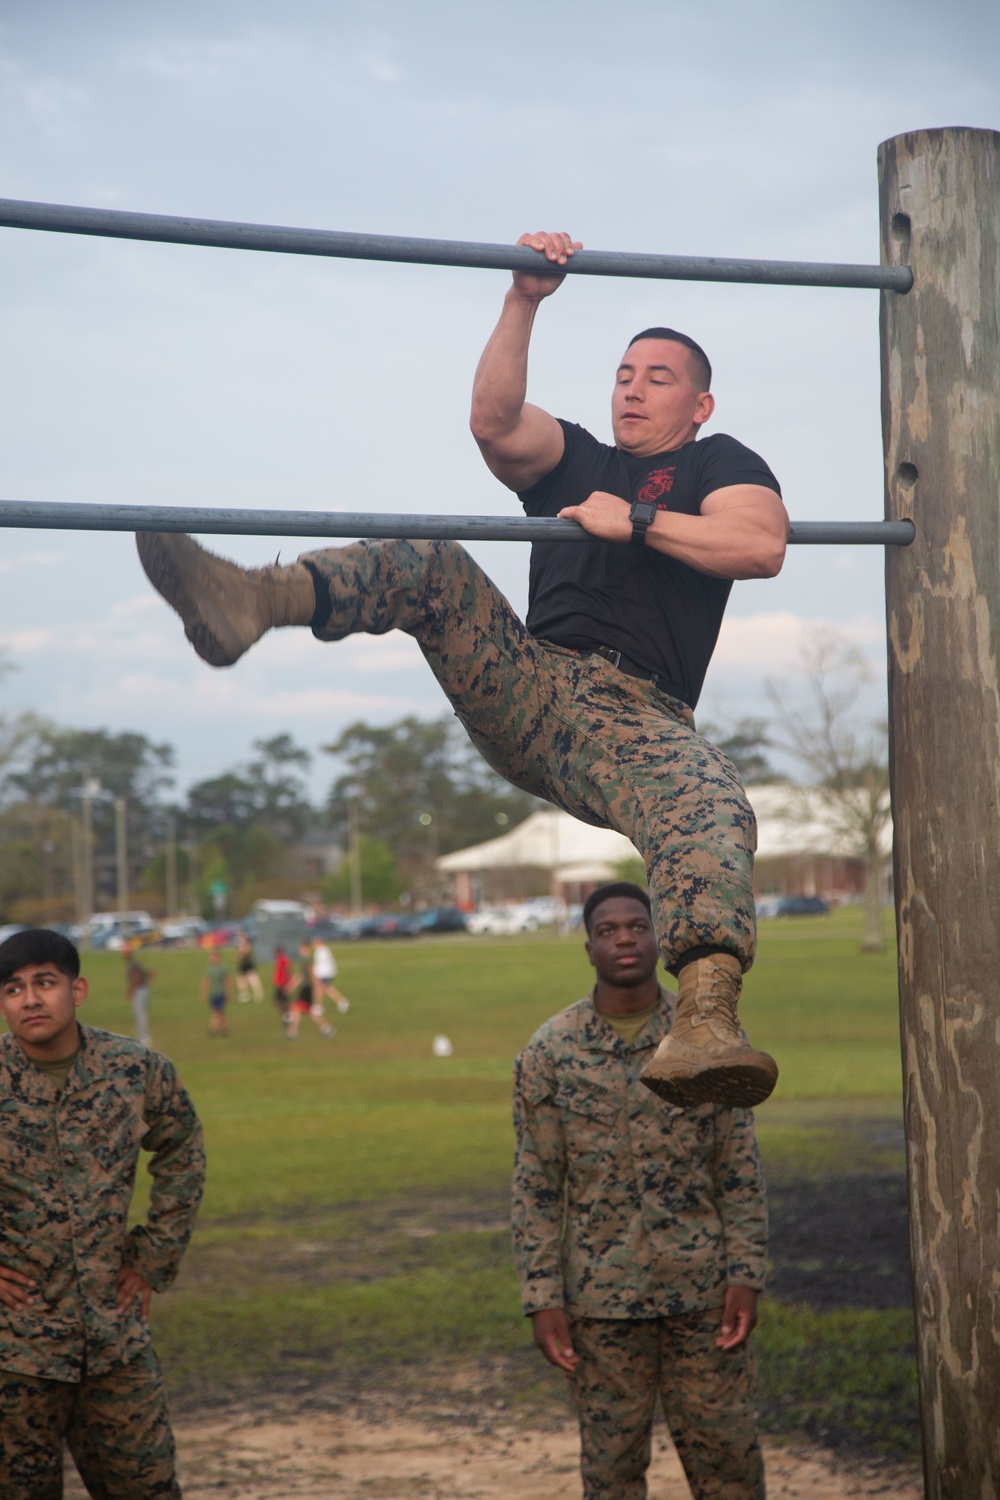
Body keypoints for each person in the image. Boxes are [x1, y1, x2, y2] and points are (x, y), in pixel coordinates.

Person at [134, 228, 789, 1108]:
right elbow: (494, 424)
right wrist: (523, 298)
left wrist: (633, 520)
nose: (633, 390)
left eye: (658, 379)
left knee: (709, 804)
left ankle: (704, 1024)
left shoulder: (719, 462)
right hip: (529, 682)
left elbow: (759, 543)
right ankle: (252, 602)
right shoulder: (580, 459)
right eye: (623, 376)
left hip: (639, 717)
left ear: (701, 404)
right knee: (434, 566)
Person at [512, 883, 767, 1499]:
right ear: (588, 948)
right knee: (611, 1469)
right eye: (608, 930)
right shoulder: (550, 1051)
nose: (624, 937)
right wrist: (541, 1296)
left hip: (701, 1289)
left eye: (637, 926)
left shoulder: (703, 1041)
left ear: (660, 939)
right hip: (602, 1302)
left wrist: (747, 1274)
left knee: (727, 1459)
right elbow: (537, 1184)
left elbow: (738, 1167)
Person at [0, 927, 205, 1500]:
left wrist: (154, 1255)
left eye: (46, 982)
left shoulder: (135, 1072)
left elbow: (182, 1147)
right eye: (14, 989)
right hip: (13, 1353)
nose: (31, 999)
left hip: (113, 1345)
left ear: (78, 989)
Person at [285, 940, 335, 1041]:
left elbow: (312, 975)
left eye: (301, 948)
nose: (300, 950)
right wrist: (291, 986)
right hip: (305, 988)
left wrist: (316, 988)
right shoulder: (305, 960)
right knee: (308, 1011)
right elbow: (300, 976)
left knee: (296, 1008)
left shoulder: (307, 961)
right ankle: (326, 1028)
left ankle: (292, 1032)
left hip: (307, 989)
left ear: (306, 949)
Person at [123, 937, 155, 1047]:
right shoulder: (134, 962)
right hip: (143, 989)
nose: (122, 952)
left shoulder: (133, 963)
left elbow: (136, 978)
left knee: (140, 1014)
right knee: (141, 1013)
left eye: (125, 950)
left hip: (139, 990)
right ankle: (141, 1036)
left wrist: (130, 991)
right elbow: (148, 973)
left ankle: (144, 1037)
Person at [310, 936, 349, 1014]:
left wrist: (315, 973)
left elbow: (320, 965)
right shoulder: (322, 950)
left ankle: (319, 1007)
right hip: (326, 973)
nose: (313, 944)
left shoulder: (321, 951)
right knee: (325, 989)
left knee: (321, 989)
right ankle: (341, 1002)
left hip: (325, 974)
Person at [201, 949, 232, 1037]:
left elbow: (227, 981)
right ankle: (225, 1029)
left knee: (217, 1012)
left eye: (214, 957)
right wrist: (204, 991)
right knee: (220, 1012)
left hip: (221, 992)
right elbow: (206, 980)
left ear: (218, 958)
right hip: (212, 993)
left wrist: (228, 992)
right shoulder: (209, 969)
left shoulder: (223, 968)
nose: (213, 959)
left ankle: (213, 1028)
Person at [234, 930, 264, 1004]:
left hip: (248, 963)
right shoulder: (240, 945)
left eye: (240, 936)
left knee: (252, 978)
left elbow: (245, 952)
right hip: (243, 964)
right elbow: (237, 957)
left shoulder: (246, 944)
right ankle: (245, 994)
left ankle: (258, 993)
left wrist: (241, 952)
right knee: (240, 979)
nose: (238, 938)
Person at [272, 943, 293, 1024]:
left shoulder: (283, 959)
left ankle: (288, 1015)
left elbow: (287, 971)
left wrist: (287, 984)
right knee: (279, 1001)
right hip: (280, 983)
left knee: (278, 1001)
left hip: (282, 984)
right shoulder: (280, 959)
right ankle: (287, 1015)